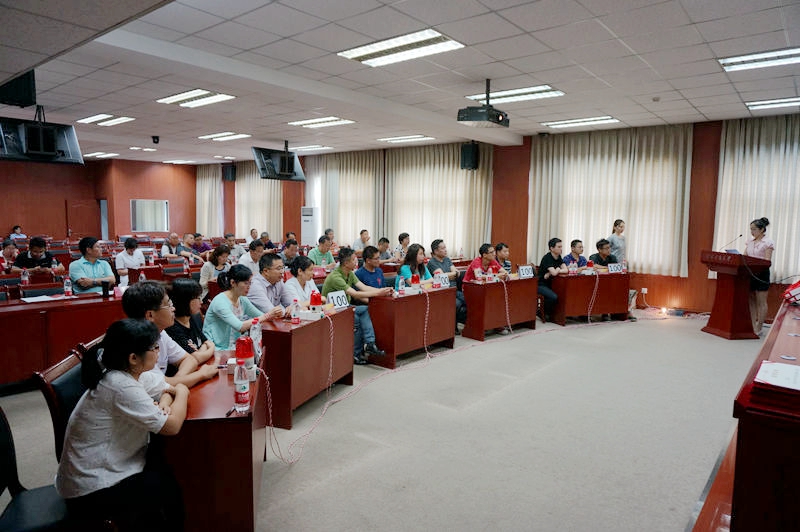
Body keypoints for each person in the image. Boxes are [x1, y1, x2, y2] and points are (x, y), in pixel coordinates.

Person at [55, 319, 187, 530]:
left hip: (110, 466)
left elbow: (164, 389)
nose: (158, 351)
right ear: (133, 358)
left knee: (164, 462)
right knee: (171, 482)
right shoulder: (119, 385)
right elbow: (172, 426)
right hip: (91, 488)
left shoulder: (128, 373)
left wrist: (166, 399)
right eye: (154, 347)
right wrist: (182, 392)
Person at [122, 281, 217, 387]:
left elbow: (189, 360)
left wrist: (176, 381)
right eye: (169, 305)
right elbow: (159, 384)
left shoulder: (161, 333)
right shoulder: (137, 345)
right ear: (150, 315)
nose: (173, 308)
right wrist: (201, 374)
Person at [322, 247, 392, 365]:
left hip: (346, 307)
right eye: (354, 259)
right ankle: (356, 354)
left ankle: (370, 343)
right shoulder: (335, 277)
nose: (357, 261)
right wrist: (379, 293)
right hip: (332, 310)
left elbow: (363, 287)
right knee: (356, 319)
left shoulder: (350, 273)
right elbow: (355, 294)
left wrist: (383, 290)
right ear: (346, 263)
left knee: (364, 309)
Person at [203, 264, 267, 350]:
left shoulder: (242, 299)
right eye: (246, 283)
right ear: (233, 283)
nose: (249, 286)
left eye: (250, 283)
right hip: (217, 347)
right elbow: (240, 327)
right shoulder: (220, 302)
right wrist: (267, 316)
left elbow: (260, 315)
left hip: (234, 345)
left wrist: (269, 315)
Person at [744, 217, 774, 336]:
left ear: (762, 229)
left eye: (754, 229)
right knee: (751, 300)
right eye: (750, 229)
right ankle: (752, 325)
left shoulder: (768, 242)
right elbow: (744, 257)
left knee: (761, 301)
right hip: (750, 273)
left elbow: (767, 261)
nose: (752, 232)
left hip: (762, 273)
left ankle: (759, 327)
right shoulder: (749, 242)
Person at [428, 239, 467, 328]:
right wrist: (452, 274)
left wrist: (449, 274)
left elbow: (457, 273)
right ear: (436, 251)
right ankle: (452, 326)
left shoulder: (447, 259)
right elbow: (442, 276)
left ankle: (464, 324)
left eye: (445, 247)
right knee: (457, 303)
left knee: (470, 299)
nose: (446, 250)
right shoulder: (432, 262)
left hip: (454, 289)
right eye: (443, 248)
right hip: (443, 292)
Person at [165, 278, 209, 354]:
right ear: (185, 301)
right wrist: (203, 349)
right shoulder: (173, 328)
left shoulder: (191, 318)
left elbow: (208, 342)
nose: (201, 302)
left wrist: (200, 351)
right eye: (198, 298)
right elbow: (196, 357)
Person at [248, 253, 293, 318]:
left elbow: (293, 303)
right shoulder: (255, 285)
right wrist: (289, 311)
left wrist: (292, 308)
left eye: (283, 268)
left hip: (272, 321)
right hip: (254, 323)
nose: (282, 272)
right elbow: (271, 311)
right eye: (278, 269)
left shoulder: (278, 282)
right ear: (266, 271)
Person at [538, 238, 568, 321]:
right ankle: (541, 312)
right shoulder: (547, 257)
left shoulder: (558, 257)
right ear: (551, 248)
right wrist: (557, 269)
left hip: (552, 283)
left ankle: (554, 314)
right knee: (554, 297)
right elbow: (554, 273)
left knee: (563, 294)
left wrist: (554, 271)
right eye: (559, 247)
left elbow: (566, 270)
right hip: (541, 284)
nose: (561, 249)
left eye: (561, 246)